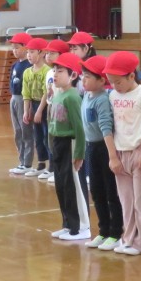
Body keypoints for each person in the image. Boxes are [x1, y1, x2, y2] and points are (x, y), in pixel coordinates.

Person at [104, 51, 141, 256]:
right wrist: (113, 155)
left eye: (118, 82)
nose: (115, 86)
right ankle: (128, 238)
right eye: (111, 82)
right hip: (120, 152)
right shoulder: (112, 95)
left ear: (132, 76)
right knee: (126, 201)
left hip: (138, 151)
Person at [46, 53, 90, 241]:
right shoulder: (58, 95)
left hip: (70, 144)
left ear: (72, 75)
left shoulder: (72, 97)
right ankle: (68, 224)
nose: (55, 74)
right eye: (55, 70)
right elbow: (52, 123)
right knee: (62, 185)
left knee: (73, 186)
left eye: (60, 71)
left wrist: (79, 154)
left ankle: (82, 227)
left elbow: (80, 128)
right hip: (58, 145)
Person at [79, 55, 122, 249]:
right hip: (91, 148)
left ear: (101, 80)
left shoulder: (103, 99)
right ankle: (103, 230)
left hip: (104, 148)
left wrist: (112, 156)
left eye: (88, 76)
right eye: (83, 76)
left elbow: (106, 127)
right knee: (96, 191)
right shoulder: (86, 97)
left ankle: (116, 232)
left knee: (111, 192)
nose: (83, 80)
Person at [41, 39, 70, 185]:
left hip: (61, 108)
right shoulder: (49, 73)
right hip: (51, 107)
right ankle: (54, 168)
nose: (48, 56)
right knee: (50, 139)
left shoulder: (66, 73)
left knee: (60, 140)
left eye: (52, 53)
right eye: (47, 53)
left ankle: (62, 170)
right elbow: (47, 92)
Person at [21, 37, 50, 179]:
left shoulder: (47, 71)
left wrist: (39, 111)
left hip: (45, 106)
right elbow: (26, 93)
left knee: (47, 136)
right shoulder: (27, 72)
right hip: (34, 104)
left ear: (42, 53)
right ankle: (41, 163)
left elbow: (46, 92)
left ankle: (52, 166)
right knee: (37, 137)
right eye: (27, 52)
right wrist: (26, 110)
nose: (29, 55)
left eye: (32, 52)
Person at [7, 32, 33, 176]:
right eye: (13, 48)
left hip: (23, 99)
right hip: (14, 98)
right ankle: (21, 161)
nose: (14, 50)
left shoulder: (29, 66)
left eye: (17, 47)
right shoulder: (15, 65)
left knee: (26, 131)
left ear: (26, 47)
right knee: (18, 131)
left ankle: (27, 162)